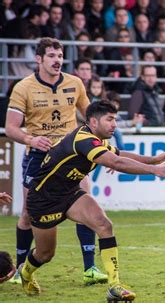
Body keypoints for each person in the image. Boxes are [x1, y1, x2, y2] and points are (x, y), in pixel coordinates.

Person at [18, 101, 165, 300]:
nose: (114, 125)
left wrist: (153, 160)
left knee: (104, 225)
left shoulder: (95, 139)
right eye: (109, 119)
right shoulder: (84, 139)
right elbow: (116, 162)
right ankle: (26, 272)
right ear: (94, 122)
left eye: (115, 119)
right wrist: (154, 170)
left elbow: (119, 154)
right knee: (45, 254)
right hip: (43, 200)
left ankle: (115, 286)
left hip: (70, 194)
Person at [4, 37, 109, 286]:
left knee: (87, 205)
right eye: (51, 56)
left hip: (71, 156)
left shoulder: (75, 84)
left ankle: (90, 268)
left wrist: (106, 151)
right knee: (29, 214)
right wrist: (31, 139)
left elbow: (92, 119)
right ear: (39, 59)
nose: (57, 61)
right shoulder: (23, 88)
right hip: (39, 157)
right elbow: (10, 128)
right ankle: (21, 269)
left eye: (60, 56)